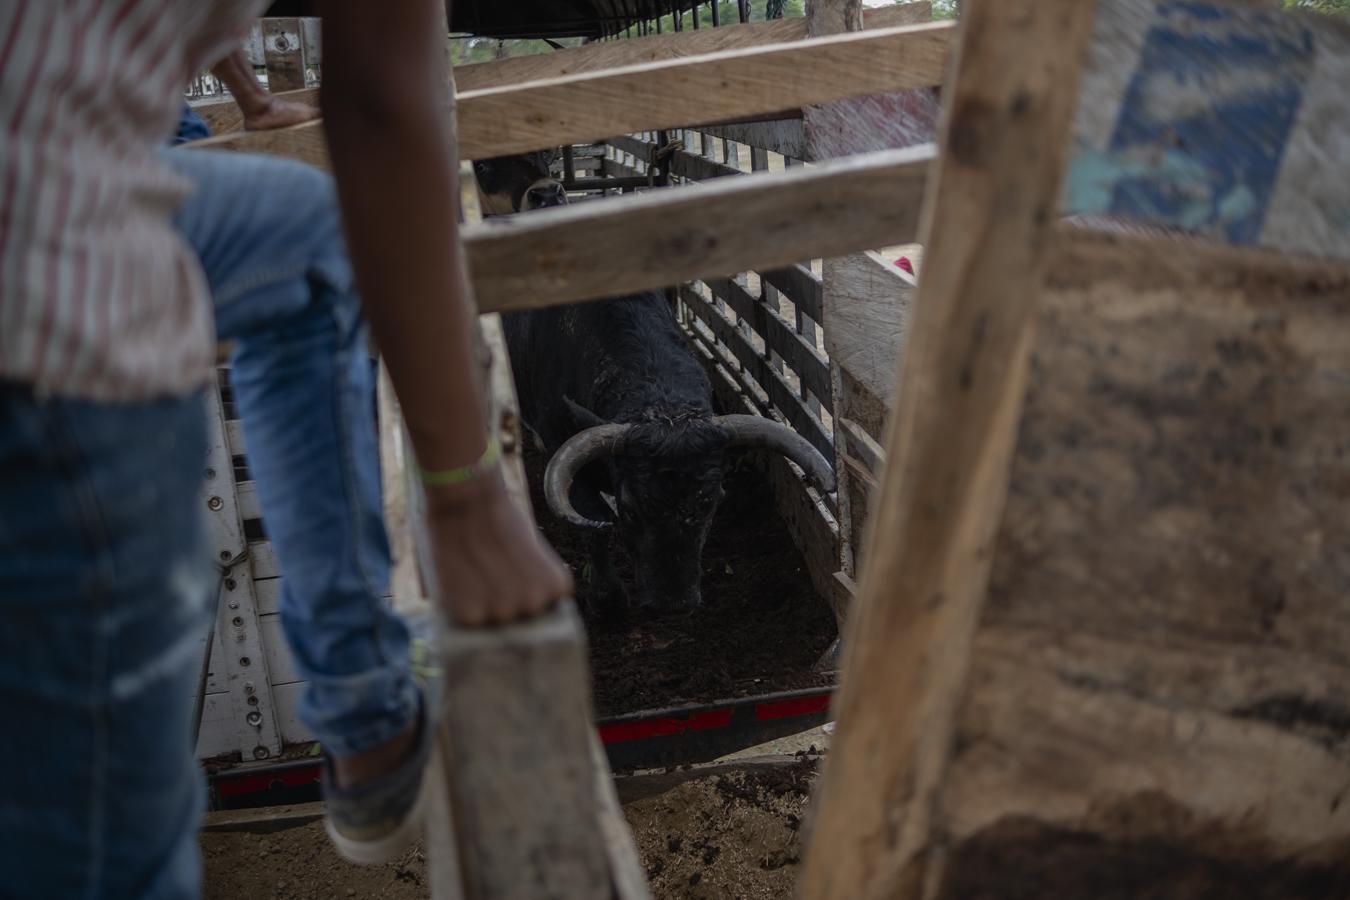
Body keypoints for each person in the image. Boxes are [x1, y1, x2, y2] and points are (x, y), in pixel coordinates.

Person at [0, 2, 572, 898]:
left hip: (53, 167)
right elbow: (382, 100)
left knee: (306, 232)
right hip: (37, 282)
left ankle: (362, 705)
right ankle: (361, 707)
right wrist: (462, 497)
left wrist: (251, 97)